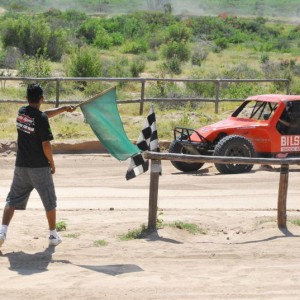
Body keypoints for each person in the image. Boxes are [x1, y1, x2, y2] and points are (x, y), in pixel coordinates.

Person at [0, 83, 75, 247]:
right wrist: (52, 163)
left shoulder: (21, 113)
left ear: (26, 98)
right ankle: (53, 235)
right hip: (39, 167)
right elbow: (46, 145)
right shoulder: (40, 119)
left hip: (21, 166)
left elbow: (42, 115)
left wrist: (62, 109)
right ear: (42, 99)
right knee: (49, 201)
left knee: (11, 200)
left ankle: (2, 232)